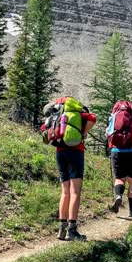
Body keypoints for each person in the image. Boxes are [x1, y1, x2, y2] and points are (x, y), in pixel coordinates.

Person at [48, 96, 96, 242]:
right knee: (75, 192)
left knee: (65, 191)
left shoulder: (57, 115)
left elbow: (45, 128)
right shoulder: (78, 113)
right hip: (76, 152)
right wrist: (83, 133)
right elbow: (93, 118)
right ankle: (72, 230)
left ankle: (62, 229)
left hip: (60, 153)